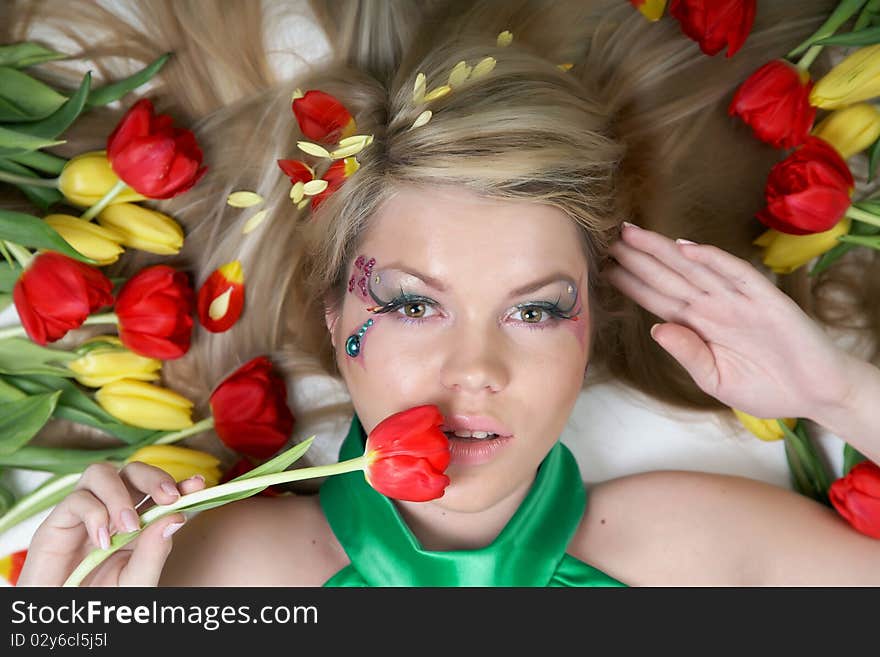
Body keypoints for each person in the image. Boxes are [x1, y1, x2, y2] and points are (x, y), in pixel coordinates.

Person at [11, 0, 880, 586]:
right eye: (413, 304)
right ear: (333, 313)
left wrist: (838, 389)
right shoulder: (205, 569)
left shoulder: (696, 550)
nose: (476, 368)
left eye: (535, 309)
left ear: (591, 327)